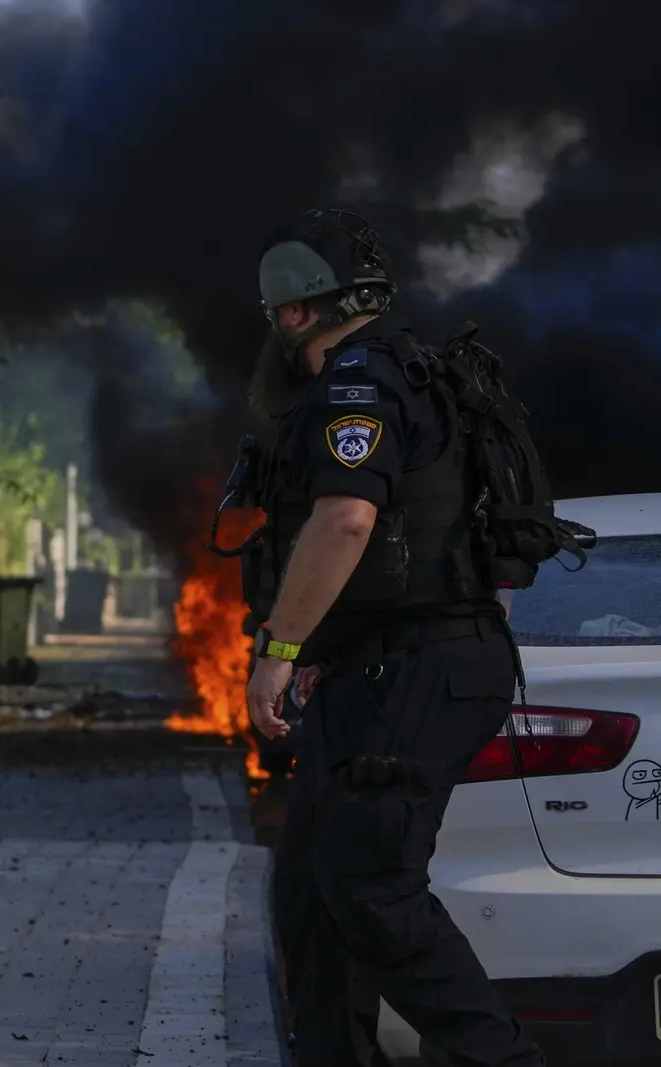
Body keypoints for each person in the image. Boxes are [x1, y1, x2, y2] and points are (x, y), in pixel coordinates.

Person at [241, 209, 546, 1067]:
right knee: (313, 891)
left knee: (370, 887)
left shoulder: (358, 384)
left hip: (412, 669)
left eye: (275, 315)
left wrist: (279, 649)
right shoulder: (416, 370)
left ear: (295, 312)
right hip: (377, 669)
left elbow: (343, 522)